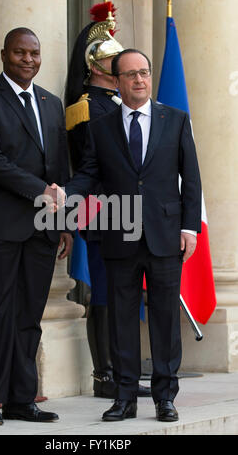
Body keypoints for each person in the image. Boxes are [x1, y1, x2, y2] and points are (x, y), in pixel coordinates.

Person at [65, 48, 202, 422]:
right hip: (119, 234)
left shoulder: (174, 119)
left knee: (163, 318)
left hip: (165, 236)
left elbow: (191, 179)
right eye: (130, 74)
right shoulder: (100, 126)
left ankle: (165, 396)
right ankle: (124, 397)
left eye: (144, 73)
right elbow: (88, 174)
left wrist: (189, 227)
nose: (139, 80)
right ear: (117, 80)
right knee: (121, 318)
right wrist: (66, 195)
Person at [0, 27, 72, 425]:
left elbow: (59, 167)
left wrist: (65, 220)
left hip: (42, 227)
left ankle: (23, 399)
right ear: (3, 54)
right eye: (20, 52)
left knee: (29, 315)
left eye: (34, 53)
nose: (28, 59)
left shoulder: (52, 104)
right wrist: (42, 191)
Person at [65, 2, 151, 399]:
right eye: (117, 62)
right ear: (98, 67)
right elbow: (91, 168)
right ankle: (106, 374)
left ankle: (126, 368)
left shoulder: (121, 106)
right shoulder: (86, 108)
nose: (126, 71)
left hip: (133, 213)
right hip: (104, 213)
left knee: (128, 294)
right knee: (103, 292)